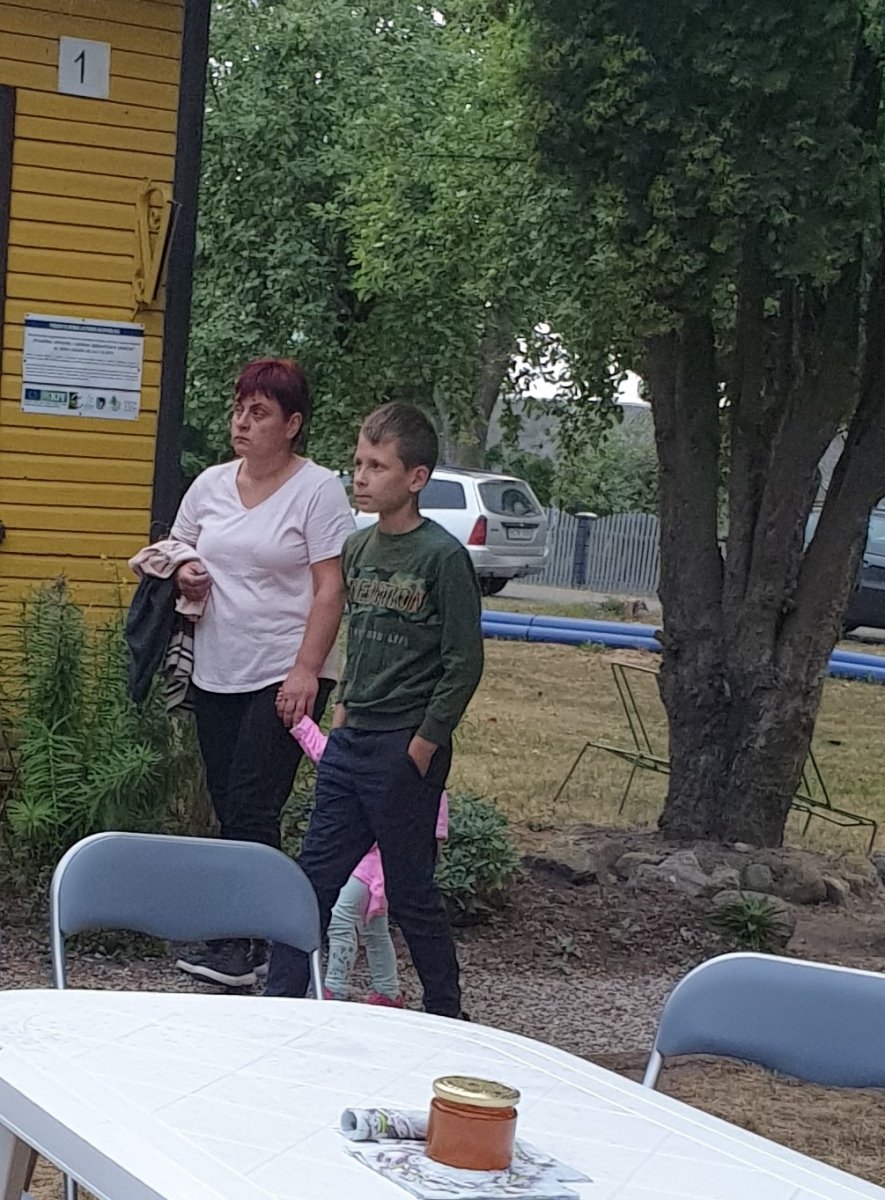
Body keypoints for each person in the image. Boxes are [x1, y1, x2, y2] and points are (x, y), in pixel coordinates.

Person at [265, 402, 484, 1018]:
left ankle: (447, 1012)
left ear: (416, 478)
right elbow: (356, 642)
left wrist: (423, 744)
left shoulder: (441, 558)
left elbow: (463, 663)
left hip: (403, 747)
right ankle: (279, 1002)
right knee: (313, 878)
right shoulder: (357, 548)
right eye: (358, 463)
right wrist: (340, 717)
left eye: (377, 466)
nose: (360, 477)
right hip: (351, 741)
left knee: (410, 890)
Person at [169, 357, 354, 988]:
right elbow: (177, 548)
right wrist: (186, 572)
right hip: (217, 667)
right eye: (238, 410)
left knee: (253, 801)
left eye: (259, 413)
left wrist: (306, 670)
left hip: (285, 671)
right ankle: (251, 932)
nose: (241, 423)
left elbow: (331, 587)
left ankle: (242, 943)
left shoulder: (318, 490)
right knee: (228, 801)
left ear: (292, 424)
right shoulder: (210, 484)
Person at [292, 715, 449, 1007]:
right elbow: (325, 753)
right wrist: (301, 724)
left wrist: (431, 849)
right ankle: (387, 990)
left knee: (341, 915)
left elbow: (434, 814)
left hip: (379, 865)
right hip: (357, 858)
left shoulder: (414, 764)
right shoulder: (353, 754)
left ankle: (334, 987)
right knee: (374, 927)